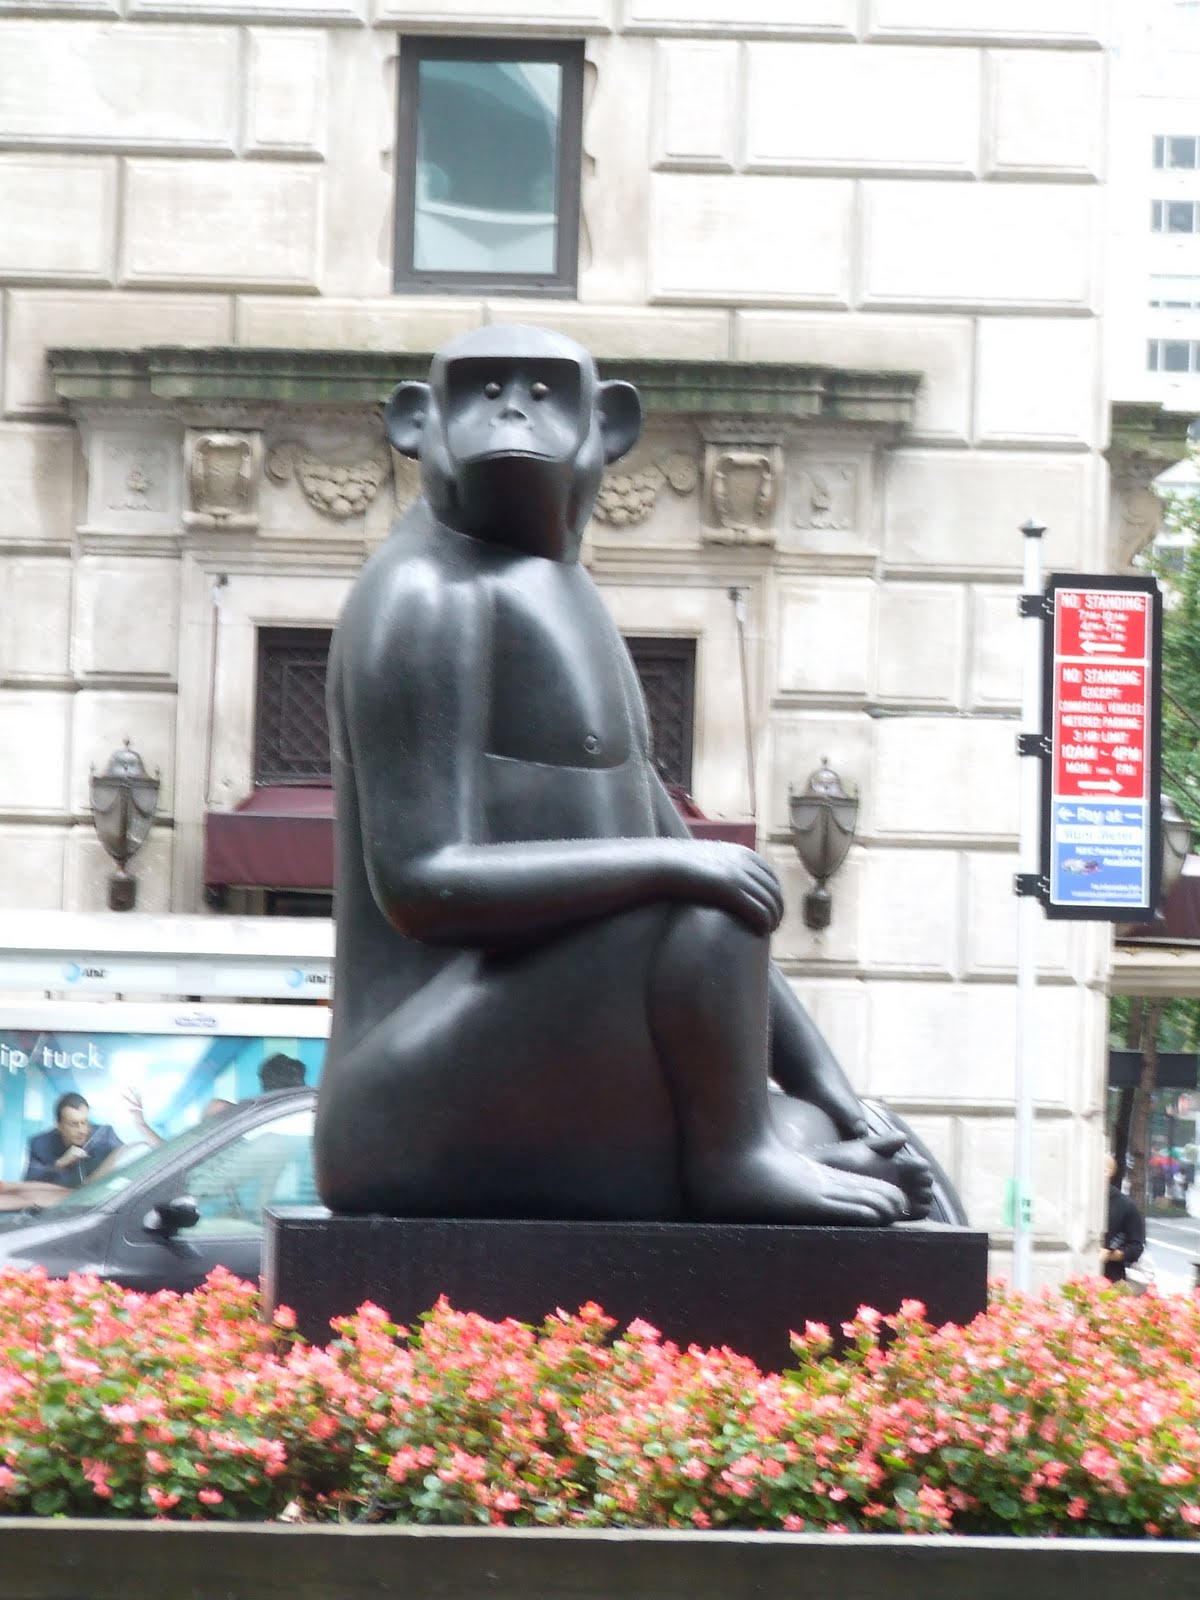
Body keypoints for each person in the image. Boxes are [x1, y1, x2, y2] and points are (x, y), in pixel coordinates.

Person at [24, 1093, 122, 1188]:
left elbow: (126, 1159)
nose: (82, 1130)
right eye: (74, 1124)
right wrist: (59, 1165)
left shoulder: (104, 1135)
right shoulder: (40, 1145)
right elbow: (28, 1187)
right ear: (58, 1125)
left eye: (85, 1122)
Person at [1102, 1151, 1147, 1286]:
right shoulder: (1076, 1201)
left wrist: (1111, 1255)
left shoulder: (1125, 1205)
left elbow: (1136, 1246)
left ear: (1107, 1172)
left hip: (1110, 1280)